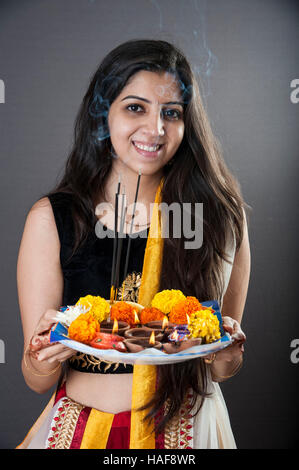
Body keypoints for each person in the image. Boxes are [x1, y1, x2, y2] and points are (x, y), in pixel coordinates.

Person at [16, 39, 250, 449]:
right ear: (104, 114)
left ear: (187, 123)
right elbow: (38, 382)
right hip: (79, 432)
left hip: (186, 434)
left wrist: (228, 354)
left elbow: (219, 368)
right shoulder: (52, 219)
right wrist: (38, 358)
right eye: (135, 107)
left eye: (171, 113)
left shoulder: (219, 216)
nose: (155, 129)